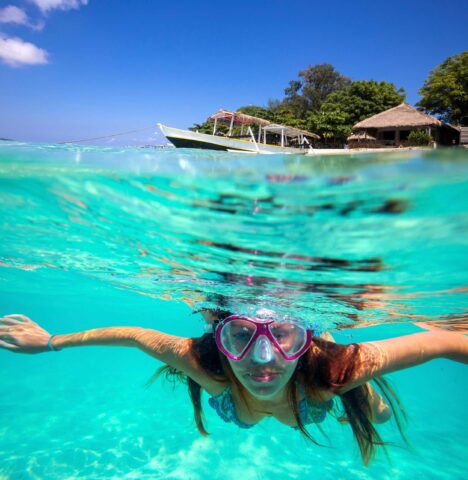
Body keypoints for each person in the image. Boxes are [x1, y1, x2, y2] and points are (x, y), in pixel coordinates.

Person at [0, 310, 467, 465]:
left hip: (323, 389)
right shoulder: (208, 366)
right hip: (306, 394)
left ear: (304, 340)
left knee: (377, 412)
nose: (262, 362)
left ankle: (347, 383)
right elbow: (132, 335)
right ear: (219, 340)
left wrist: (50, 344)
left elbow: (443, 339)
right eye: (240, 336)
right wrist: (48, 342)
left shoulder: (333, 369)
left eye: (284, 334)